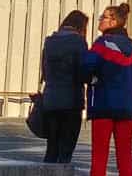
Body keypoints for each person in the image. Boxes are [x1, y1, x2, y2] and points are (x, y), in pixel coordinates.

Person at [80, 2, 132, 176]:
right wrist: (129, 80)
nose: (100, 20)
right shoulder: (131, 47)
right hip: (126, 105)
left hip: (103, 105)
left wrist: (95, 79)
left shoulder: (102, 44)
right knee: (125, 155)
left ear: (113, 22)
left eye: (103, 17)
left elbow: (86, 67)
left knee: (99, 156)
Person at [36, 10, 90, 164]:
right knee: (65, 151)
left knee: (51, 148)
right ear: (81, 26)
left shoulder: (49, 41)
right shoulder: (79, 42)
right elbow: (83, 72)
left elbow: (44, 73)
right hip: (71, 101)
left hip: (51, 100)